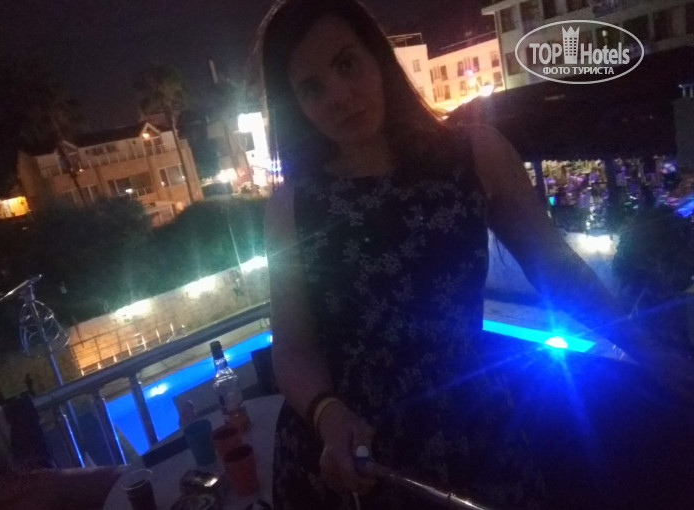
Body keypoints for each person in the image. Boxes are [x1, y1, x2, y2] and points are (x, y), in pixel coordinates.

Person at [259, 1, 694, 509]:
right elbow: (293, 348)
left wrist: (644, 348)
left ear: (377, 57)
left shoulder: (473, 154)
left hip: (469, 425)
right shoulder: (293, 205)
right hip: (352, 455)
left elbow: (555, 268)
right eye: (312, 87)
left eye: (346, 63)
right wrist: (326, 413)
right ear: (295, 104)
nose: (339, 95)